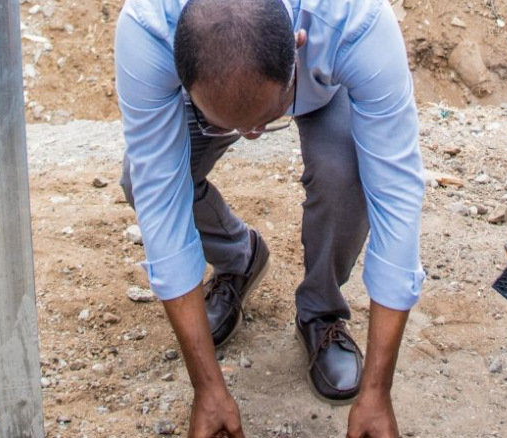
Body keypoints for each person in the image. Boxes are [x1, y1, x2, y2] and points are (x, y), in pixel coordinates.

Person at [115, 0, 425, 436]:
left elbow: (396, 195)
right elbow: (159, 198)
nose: (252, 136)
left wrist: (378, 390)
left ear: (299, 45)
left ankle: (320, 311)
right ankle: (238, 257)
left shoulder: (356, 19)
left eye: (265, 121)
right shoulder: (148, 26)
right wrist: (207, 387)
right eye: (233, 126)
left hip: (323, 82)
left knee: (346, 171)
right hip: (234, 78)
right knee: (137, 180)